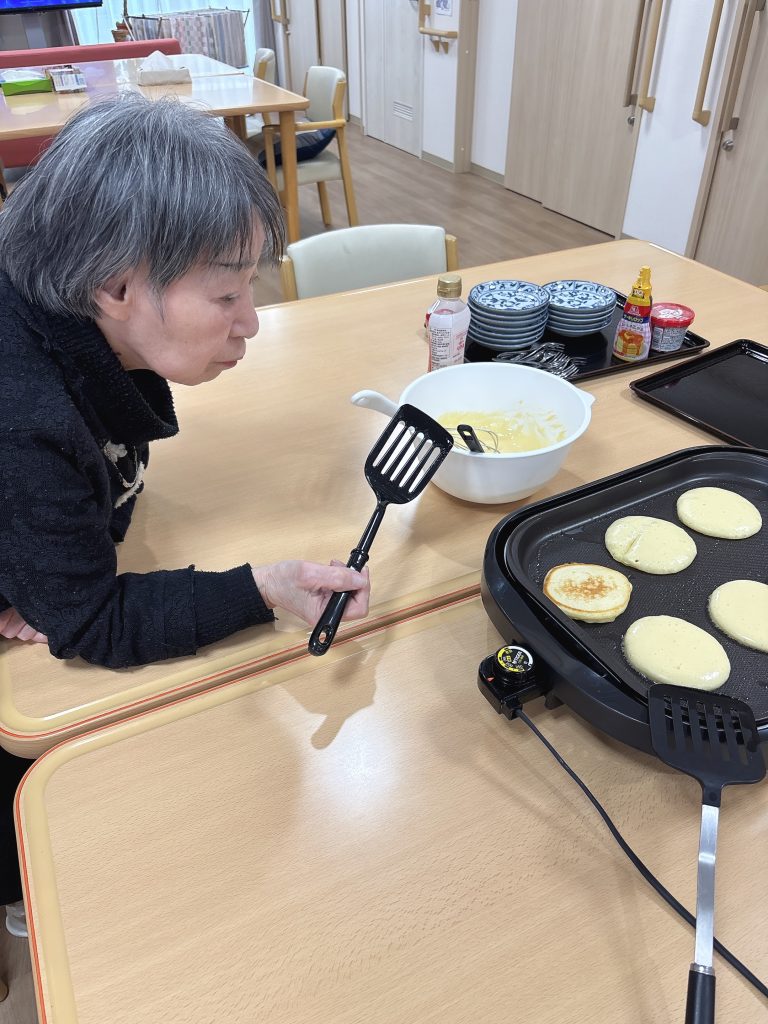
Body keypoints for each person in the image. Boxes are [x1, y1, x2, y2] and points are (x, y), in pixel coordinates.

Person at [0, 95, 371, 933]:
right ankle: (27, 893)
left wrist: (49, 561)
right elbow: (91, 618)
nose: (251, 323)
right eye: (226, 295)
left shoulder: (69, 312)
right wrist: (264, 587)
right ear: (118, 285)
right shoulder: (22, 415)